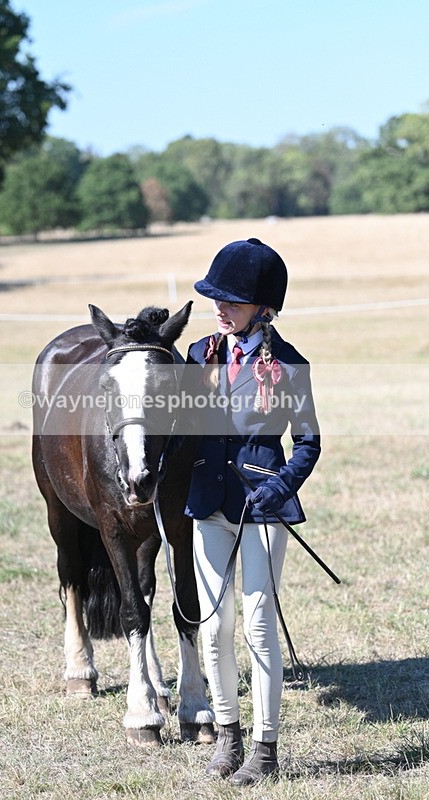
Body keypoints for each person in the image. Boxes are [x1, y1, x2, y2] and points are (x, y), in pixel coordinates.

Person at [184, 237, 321, 786]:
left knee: (259, 624)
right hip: (208, 505)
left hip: (262, 509)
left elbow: (308, 443)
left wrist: (281, 483)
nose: (219, 308)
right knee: (214, 627)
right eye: (216, 299)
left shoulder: (290, 366)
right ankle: (227, 735)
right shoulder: (198, 355)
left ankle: (265, 750)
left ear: (264, 308)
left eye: (231, 301)